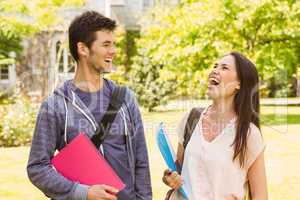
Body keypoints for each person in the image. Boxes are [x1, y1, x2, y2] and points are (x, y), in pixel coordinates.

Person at [27, 11, 152, 200]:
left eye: (114, 44)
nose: (113, 51)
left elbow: (141, 161)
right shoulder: (55, 106)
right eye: (106, 44)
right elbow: (37, 168)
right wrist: (83, 193)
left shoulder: (126, 98)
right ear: (83, 49)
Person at [162, 52, 268, 200]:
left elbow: (260, 196)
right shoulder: (191, 119)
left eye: (224, 68)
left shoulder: (249, 134)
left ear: (239, 84)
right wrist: (169, 178)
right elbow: (178, 171)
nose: (215, 70)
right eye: (215, 66)